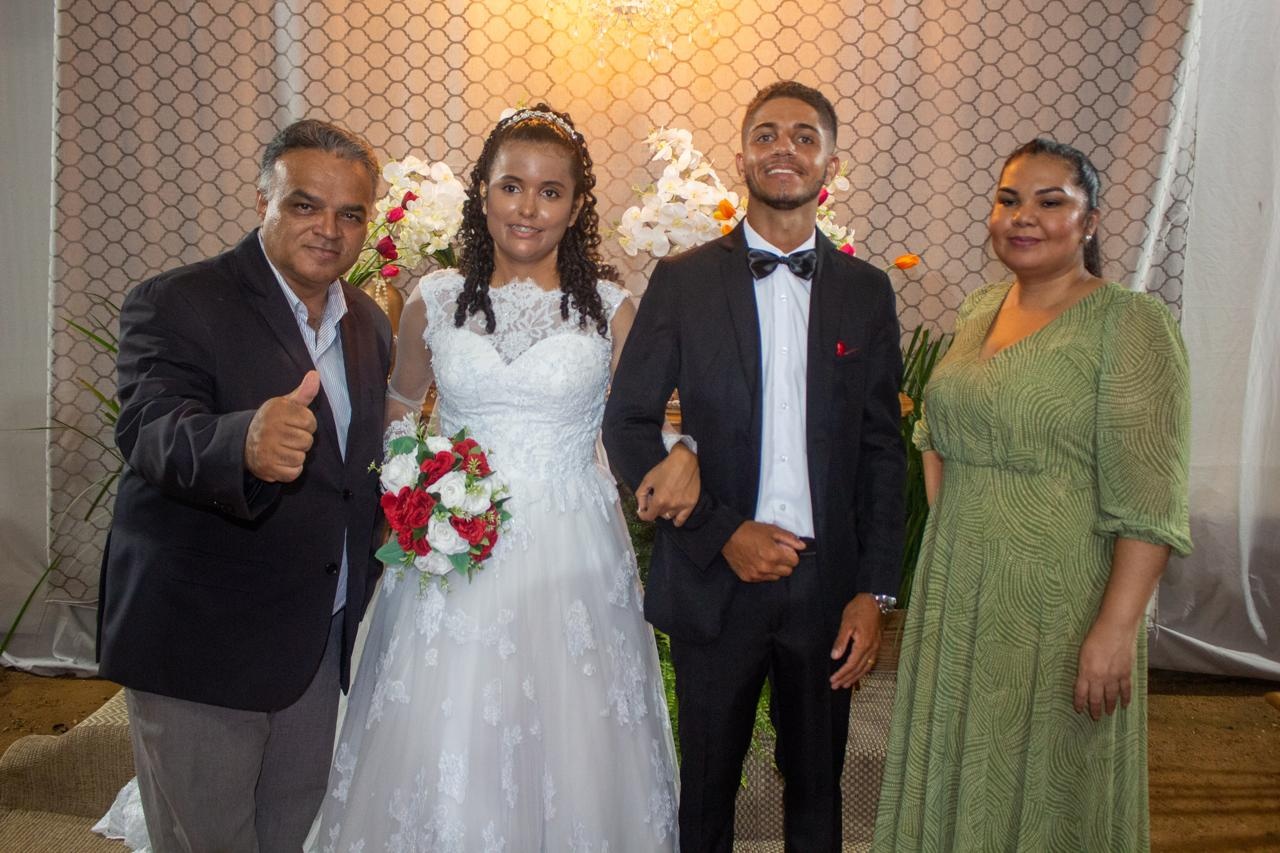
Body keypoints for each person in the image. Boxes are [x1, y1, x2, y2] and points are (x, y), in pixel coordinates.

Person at [308, 104, 684, 851]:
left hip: (571, 549)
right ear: (483, 191)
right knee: (447, 722)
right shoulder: (434, 299)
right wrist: (414, 478)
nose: (529, 207)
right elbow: (399, 403)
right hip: (451, 548)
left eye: (551, 191)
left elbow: (648, 421)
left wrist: (687, 454)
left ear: (576, 206)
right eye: (512, 185)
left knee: (569, 732)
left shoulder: (612, 310)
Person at [603, 80, 907, 852]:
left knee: (818, 791)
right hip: (717, 578)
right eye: (767, 134)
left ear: (828, 163)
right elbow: (627, 423)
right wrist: (720, 530)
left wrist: (875, 590)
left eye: (804, 136)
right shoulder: (683, 280)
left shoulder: (866, 293)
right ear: (741, 156)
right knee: (705, 790)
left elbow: (881, 451)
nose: (784, 148)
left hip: (825, 585)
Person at [872, 139, 1192, 851]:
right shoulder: (982, 307)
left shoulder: (1130, 324)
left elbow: (1151, 500)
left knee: (1048, 780)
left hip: (1063, 600)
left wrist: (1114, 630)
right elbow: (936, 438)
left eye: (1052, 202)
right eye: (1010, 199)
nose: (1024, 216)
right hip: (961, 592)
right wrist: (954, 543)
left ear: (1091, 222)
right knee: (962, 764)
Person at [95, 119, 393, 851]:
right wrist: (243, 442)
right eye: (304, 204)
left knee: (292, 834)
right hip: (203, 639)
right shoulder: (178, 302)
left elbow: (358, 479)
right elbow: (151, 430)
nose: (329, 229)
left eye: (351, 213)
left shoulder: (368, 326)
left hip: (314, 643)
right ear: (263, 198)